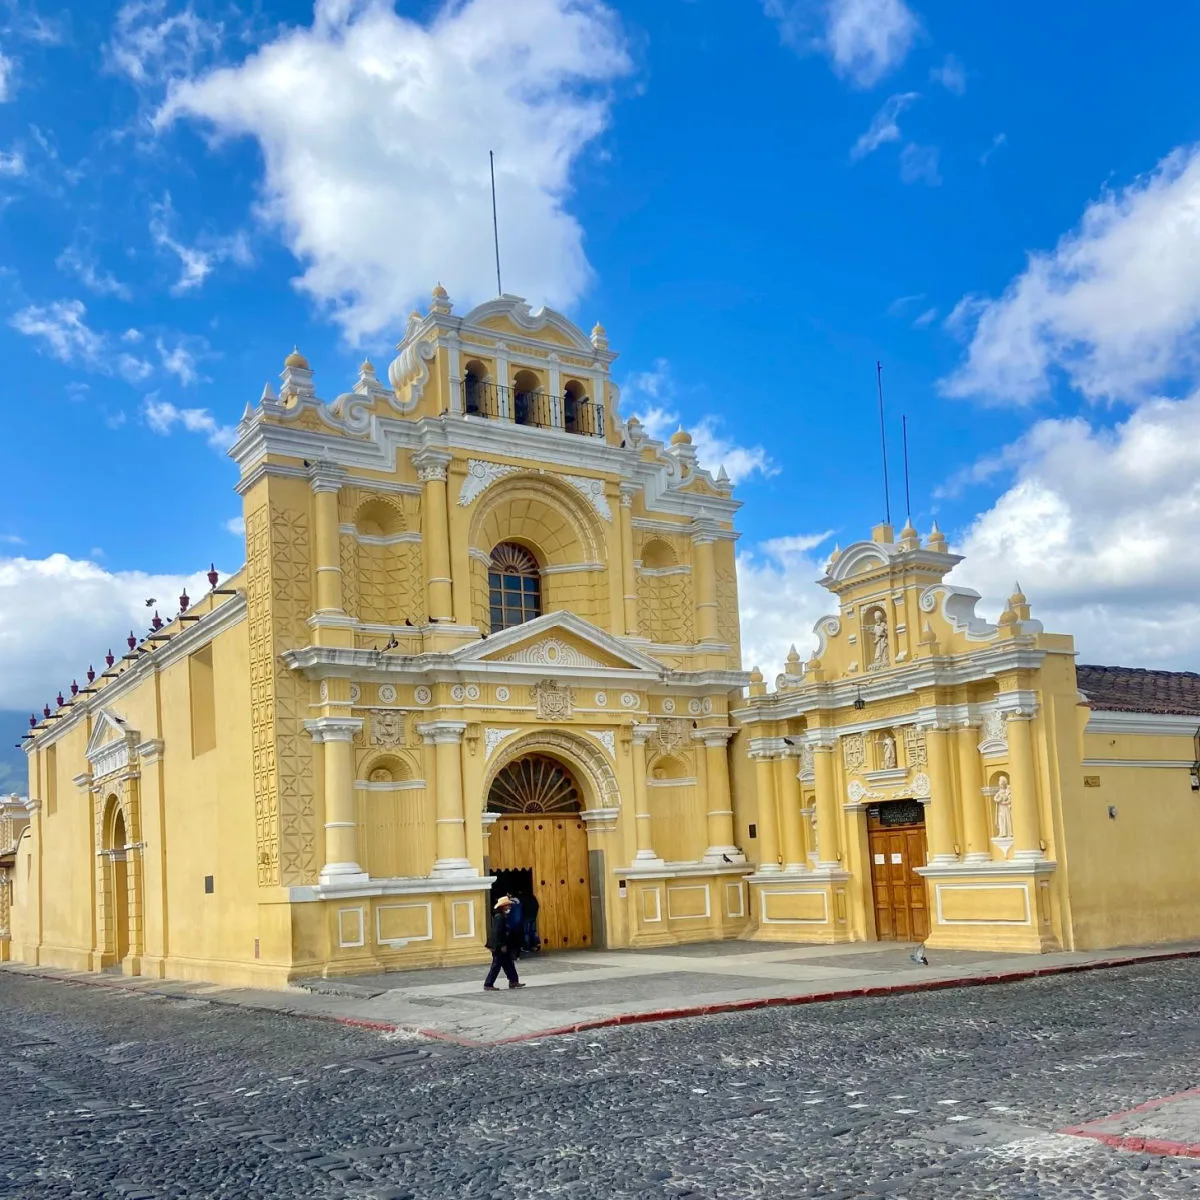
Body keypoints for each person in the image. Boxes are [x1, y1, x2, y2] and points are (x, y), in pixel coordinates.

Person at [484, 895, 526, 991]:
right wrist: (501, 945)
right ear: (502, 907)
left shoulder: (503, 916)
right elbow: (497, 933)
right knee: (496, 966)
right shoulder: (499, 917)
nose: (509, 907)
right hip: (499, 946)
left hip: (503, 945)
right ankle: (488, 984)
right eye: (507, 905)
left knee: (509, 964)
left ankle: (513, 981)